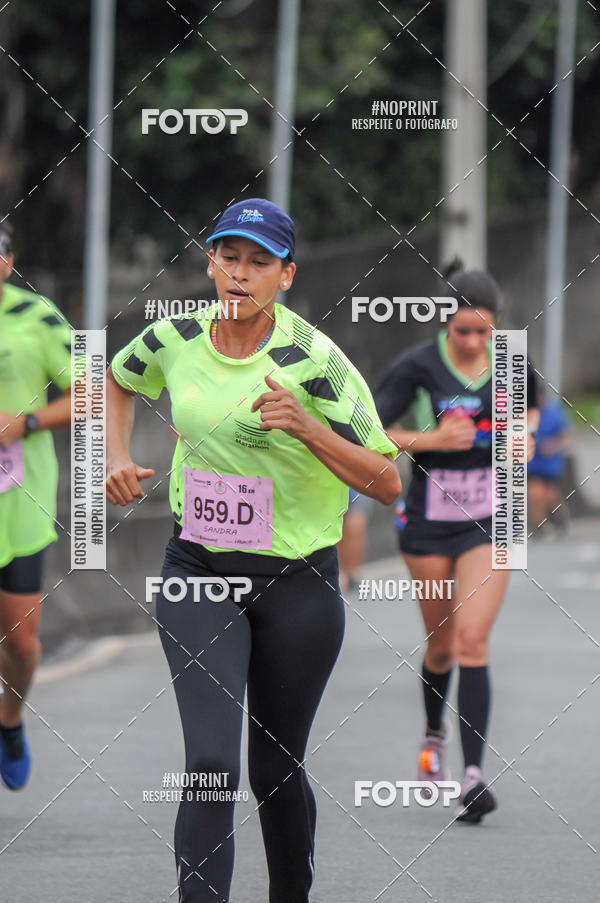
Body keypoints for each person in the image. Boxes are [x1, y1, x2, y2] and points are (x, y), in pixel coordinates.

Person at [105, 197, 401, 902]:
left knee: (275, 770)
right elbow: (115, 377)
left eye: (259, 262)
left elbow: (387, 482)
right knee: (212, 763)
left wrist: (308, 427)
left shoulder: (318, 362)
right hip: (198, 572)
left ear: (286, 275)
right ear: (210, 264)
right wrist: (113, 455)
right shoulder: (174, 336)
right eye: (229, 257)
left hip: (297, 586)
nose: (240, 274)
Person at [374, 262, 539, 824]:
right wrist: (433, 439)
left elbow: (532, 407)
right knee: (442, 646)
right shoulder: (416, 366)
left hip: (493, 518)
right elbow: (368, 431)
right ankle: (433, 734)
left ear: (497, 325)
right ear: (445, 324)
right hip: (427, 522)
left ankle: (473, 775)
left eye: (483, 331)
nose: (472, 342)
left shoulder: (511, 361)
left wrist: (524, 434)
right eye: (462, 330)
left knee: (471, 639)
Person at [0, 222, 72, 789]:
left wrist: (23, 423)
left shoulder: (37, 317)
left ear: (7, 263)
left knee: (20, 644)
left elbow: (94, 390)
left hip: (19, 503)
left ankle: (10, 720)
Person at [527, 389, 572, 536]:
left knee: (549, 495)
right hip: (532, 463)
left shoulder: (555, 412)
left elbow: (567, 436)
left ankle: (559, 515)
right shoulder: (527, 413)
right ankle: (538, 527)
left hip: (550, 464)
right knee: (535, 493)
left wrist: (553, 446)